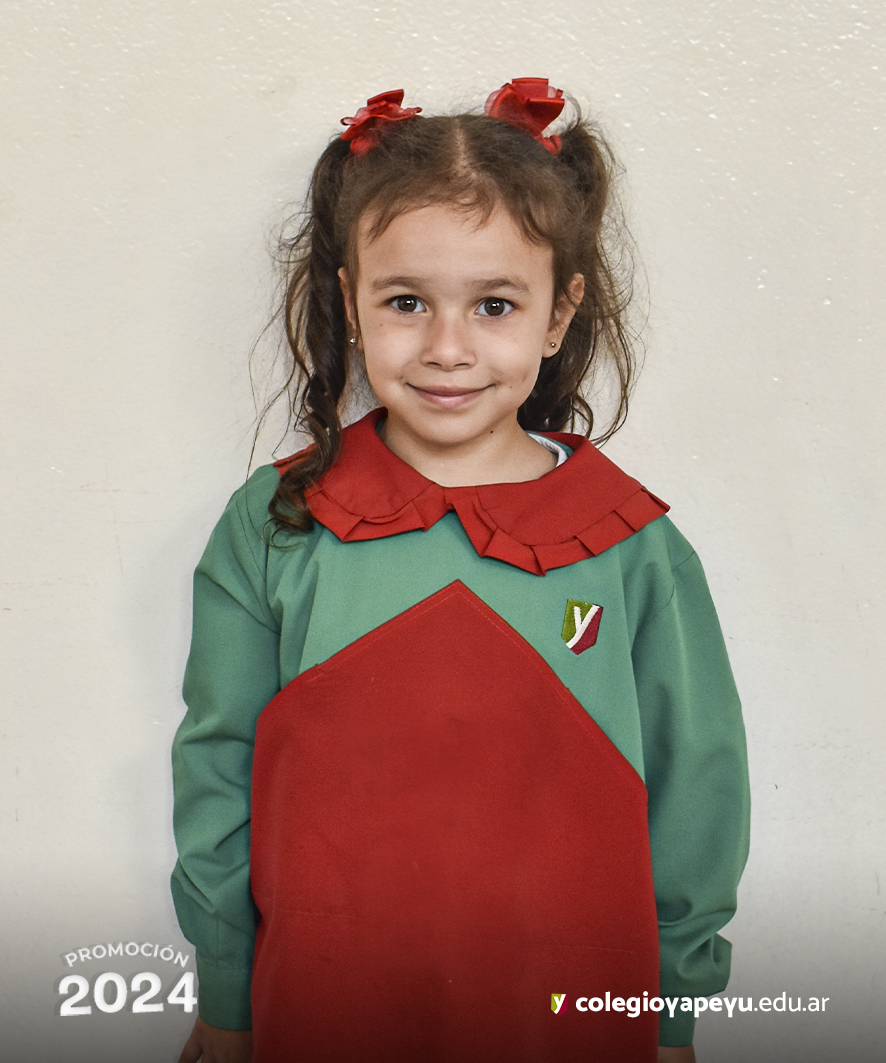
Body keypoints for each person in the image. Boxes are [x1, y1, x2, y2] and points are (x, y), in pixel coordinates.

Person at [171, 79, 750, 1063]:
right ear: (351, 302)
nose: (447, 348)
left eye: (494, 304)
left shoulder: (631, 545)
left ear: (558, 313)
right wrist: (225, 995)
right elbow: (216, 772)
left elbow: (699, 792)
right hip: (326, 1009)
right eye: (406, 302)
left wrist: (674, 1011)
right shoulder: (273, 526)